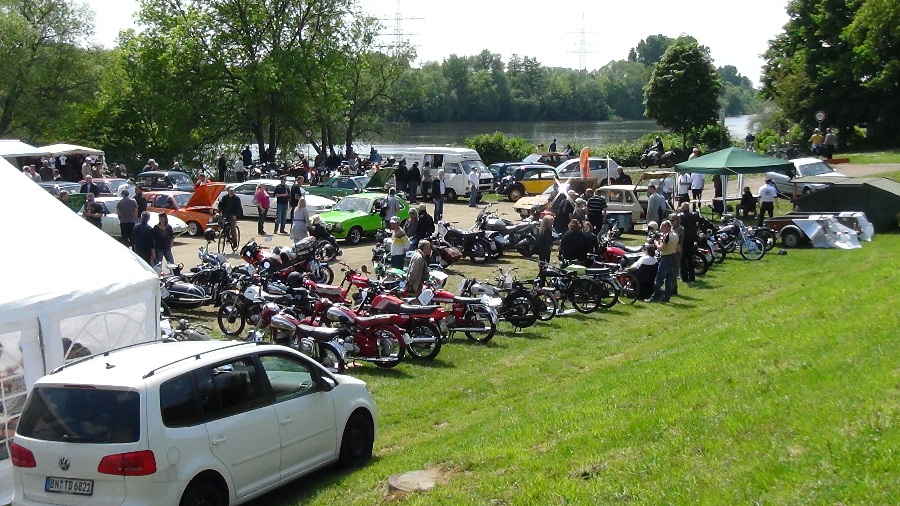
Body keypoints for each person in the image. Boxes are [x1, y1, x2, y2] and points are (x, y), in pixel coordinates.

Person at [647, 220, 678, 303]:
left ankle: (654, 297)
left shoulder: (667, 236)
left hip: (666, 258)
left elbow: (661, 248)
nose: (661, 228)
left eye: (662, 226)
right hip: (673, 257)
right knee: (669, 279)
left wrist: (656, 242)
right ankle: (667, 297)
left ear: (668, 227)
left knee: (659, 279)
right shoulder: (675, 235)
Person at [678, 203, 699, 283]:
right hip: (691, 239)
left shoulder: (681, 217)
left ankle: (684, 277)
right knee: (690, 258)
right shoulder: (693, 216)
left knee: (683, 259)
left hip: (683, 239)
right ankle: (692, 276)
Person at [669, 213, 684, 295]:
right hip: (671, 250)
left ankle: (674, 289)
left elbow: (675, 237)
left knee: (674, 270)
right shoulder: (672, 228)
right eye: (670, 220)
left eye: (673, 220)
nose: (671, 222)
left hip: (677, 251)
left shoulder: (680, 229)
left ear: (677, 221)